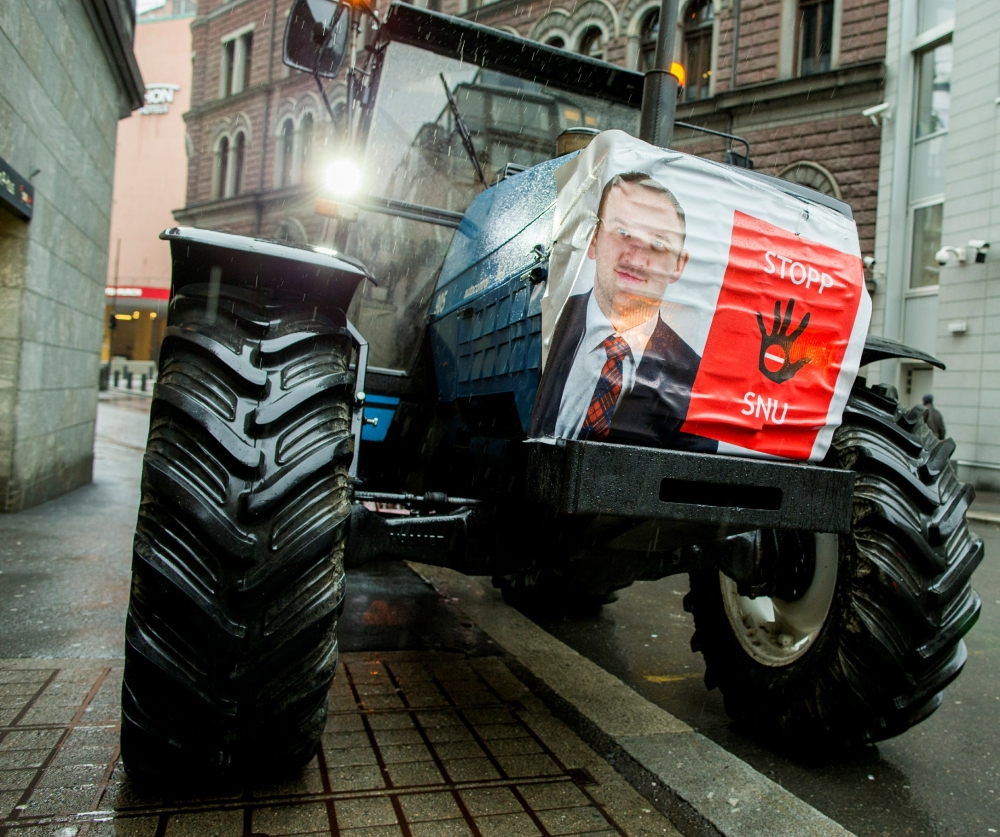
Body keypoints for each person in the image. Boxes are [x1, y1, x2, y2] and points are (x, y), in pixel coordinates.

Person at [530, 171, 714, 451]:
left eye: (659, 244)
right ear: (593, 241)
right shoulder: (546, 322)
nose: (636, 258)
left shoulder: (695, 382)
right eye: (623, 233)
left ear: (678, 264)